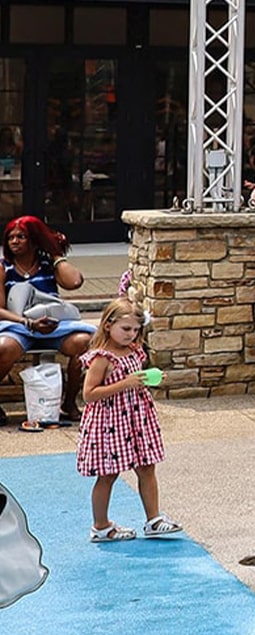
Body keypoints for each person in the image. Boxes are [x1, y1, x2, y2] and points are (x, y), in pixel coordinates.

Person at [74, 299, 178, 542]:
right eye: (126, 329)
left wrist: (148, 378)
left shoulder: (133, 350)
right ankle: (101, 526)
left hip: (135, 417)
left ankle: (154, 519)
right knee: (108, 473)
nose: (131, 334)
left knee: (146, 466)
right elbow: (89, 394)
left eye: (135, 329)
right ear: (108, 325)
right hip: (110, 422)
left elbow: (134, 378)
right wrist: (125, 383)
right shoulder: (102, 358)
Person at [1, 216, 95, 421]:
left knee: (83, 342)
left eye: (21, 237)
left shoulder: (48, 264)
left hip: (53, 325)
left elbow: (75, 282)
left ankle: (69, 403)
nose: (14, 241)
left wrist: (55, 254)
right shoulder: (3, 268)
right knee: (4, 347)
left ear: (34, 240)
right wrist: (27, 322)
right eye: (10, 238)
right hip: (18, 325)